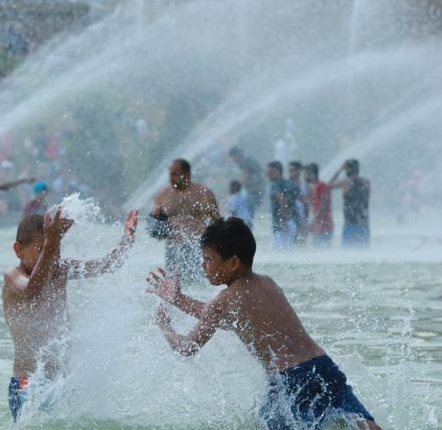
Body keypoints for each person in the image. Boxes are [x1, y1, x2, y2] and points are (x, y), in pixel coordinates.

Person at [146, 218, 380, 430]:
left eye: (208, 259)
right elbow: (229, 320)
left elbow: (188, 347)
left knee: (265, 423)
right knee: (362, 424)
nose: (202, 265)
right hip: (322, 365)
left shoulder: (224, 300)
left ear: (233, 262)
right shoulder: (267, 283)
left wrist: (165, 326)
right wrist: (179, 299)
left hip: (290, 380)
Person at [3, 208, 138, 422]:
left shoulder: (60, 269)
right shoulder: (13, 275)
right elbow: (32, 289)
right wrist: (52, 241)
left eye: (57, 248)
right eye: (43, 248)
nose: (53, 255)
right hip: (28, 382)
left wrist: (127, 237)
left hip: (62, 381)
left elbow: (110, 263)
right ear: (19, 250)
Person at [150, 158, 220, 280]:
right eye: (170, 174)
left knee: (199, 282)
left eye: (175, 174)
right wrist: (156, 224)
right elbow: (154, 222)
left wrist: (214, 244)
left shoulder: (204, 193)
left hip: (197, 246)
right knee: (175, 281)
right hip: (173, 247)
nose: (171, 178)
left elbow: (217, 221)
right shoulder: (163, 195)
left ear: (187, 174)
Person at [330, 159, 370, 248]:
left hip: (350, 223)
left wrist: (340, 169)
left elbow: (329, 185)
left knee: (348, 251)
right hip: (364, 223)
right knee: (363, 252)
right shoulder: (366, 182)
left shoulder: (345, 182)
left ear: (348, 169)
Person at [266, 161, 299, 248]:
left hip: (281, 224)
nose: (268, 174)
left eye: (271, 171)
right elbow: (303, 201)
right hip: (292, 222)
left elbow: (281, 199)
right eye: (268, 171)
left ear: (278, 171)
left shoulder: (276, 185)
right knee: (289, 250)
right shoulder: (289, 183)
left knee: (278, 252)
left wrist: (283, 220)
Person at [228, 147, 265, 221]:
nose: (233, 160)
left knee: (247, 209)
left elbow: (245, 175)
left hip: (253, 189)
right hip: (259, 188)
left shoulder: (243, 162)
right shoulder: (250, 159)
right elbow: (263, 171)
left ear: (237, 155)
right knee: (249, 209)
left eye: (233, 157)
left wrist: (237, 188)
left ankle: (246, 224)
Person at [304, 163, 333, 245]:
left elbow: (323, 207)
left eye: (306, 174)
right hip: (318, 227)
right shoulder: (314, 187)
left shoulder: (321, 186)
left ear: (312, 174)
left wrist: (313, 223)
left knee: (321, 249)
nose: (304, 176)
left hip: (324, 227)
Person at [288, 160, 309, 245]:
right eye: (289, 170)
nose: (290, 173)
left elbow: (307, 204)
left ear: (298, 171)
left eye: (292, 170)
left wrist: (306, 221)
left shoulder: (305, 184)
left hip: (301, 219)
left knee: (301, 244)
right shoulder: (286, 184)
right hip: (289, 219)